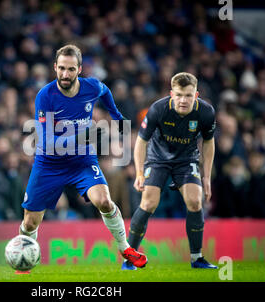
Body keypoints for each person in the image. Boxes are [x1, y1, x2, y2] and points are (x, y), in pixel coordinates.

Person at [19, 44, 147, 271]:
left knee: (105, 201)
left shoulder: (92, 87)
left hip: (82, 160)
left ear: (79, 69)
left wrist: (116, 115)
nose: (64, 74)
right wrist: (81, 135)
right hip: (50, 162)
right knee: (30, 222)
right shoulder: (45, 96)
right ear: (54, 68)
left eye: (70, 69)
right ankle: (23, 258)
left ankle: (125, 249)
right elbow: (48, 143)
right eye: (61, 69)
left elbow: (105, 91)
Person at [125, 72, 217, 270]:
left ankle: (197, 258)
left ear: (196, 95)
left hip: (187, 159)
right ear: (171, 94)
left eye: (188, 95)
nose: (183, 100)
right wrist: (139, 173)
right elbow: (141, 141)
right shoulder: (158, 109)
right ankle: (130, 258)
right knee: (148, 203)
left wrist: (206, 176)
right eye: (179, 95)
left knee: (195, 200)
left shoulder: (206, 112)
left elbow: (209, 142)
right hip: (158, 158)